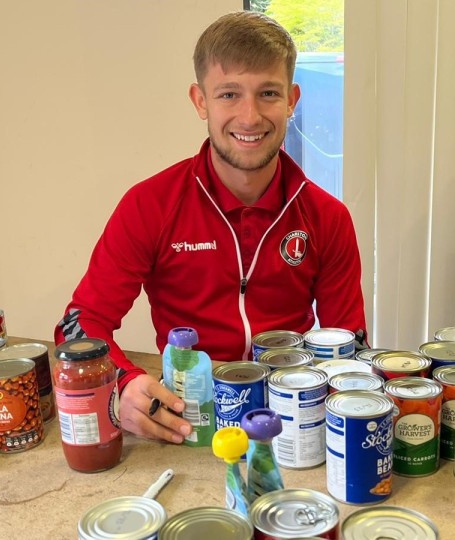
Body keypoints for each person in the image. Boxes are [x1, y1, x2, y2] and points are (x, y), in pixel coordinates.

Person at [55, 11, 367, 444]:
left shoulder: (327, 217)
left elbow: (349, 345)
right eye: (229, 94)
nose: (250, 116)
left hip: (291, 422)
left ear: (292, 100)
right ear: (200, 101)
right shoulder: (149, 205)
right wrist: (123, 383)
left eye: (268, 93)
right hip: (185, 420)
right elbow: (79, 322)